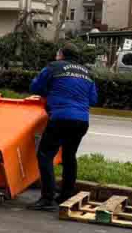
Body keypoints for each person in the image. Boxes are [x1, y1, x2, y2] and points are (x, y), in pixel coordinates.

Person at [28, 44, 98, 210]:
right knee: (69, 156)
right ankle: (66, 195)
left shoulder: (53, 67)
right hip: (82, 121)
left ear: (61, 55)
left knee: (45, 154)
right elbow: (93, 100)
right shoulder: (87, 72)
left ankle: (47, 198)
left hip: (61, 118)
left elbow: (35, 87)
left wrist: (50, 91)